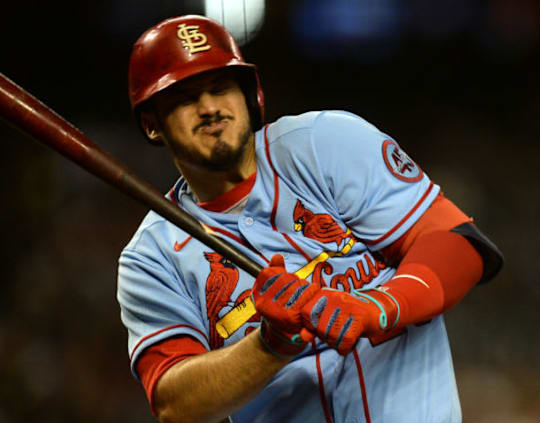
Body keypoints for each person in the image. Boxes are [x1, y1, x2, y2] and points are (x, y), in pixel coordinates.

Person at [117, 15, 503, 423]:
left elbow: (461, 243)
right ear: (152, 124)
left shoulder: (324, 144)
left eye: (220, 87)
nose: (210, 107)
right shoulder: (152, 257)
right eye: (185, 97)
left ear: (252, 95)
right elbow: (176, 405)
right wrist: (269, 345)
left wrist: (378, 306)